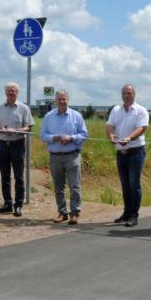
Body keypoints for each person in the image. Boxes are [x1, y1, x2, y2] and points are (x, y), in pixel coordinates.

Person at [40, 89, 88, 225]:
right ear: (55, 101)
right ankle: (62, 212)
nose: (62, 101)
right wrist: (54, 138)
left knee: (74, 186)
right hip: (55, 157)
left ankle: (75, 213)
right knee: (58, 187)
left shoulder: (76, 116)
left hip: (72, 156)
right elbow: (43, 135)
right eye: (59, 99)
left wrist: (71, 138)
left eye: (64, 99)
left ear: (68, 100)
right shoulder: (48, 116)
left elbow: (84, 135)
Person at [0, 82, 35, 217]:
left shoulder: (23, 108)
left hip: (17, 144)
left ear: (17, 92)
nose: (11, 92)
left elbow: (28, 127)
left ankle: (18, 205)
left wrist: (16, 130)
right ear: (5, 92)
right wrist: (0, 129)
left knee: (19, 176)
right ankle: (7, 203)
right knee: (5, 176)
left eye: (13, 90)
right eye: (8, 90)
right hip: (2, 144)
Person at [106, 84, 149, 227]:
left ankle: (133, 215)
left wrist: (129, 138)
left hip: (135, 152)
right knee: (125, 185)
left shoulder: (141, 110)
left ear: (134, 94)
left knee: (134, 184)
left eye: (129, 93)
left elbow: (141, 128)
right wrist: (111, 135)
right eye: (124, 93)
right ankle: (126, 212)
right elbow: (110, 125)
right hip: (121, 152)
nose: (126, 95)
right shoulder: (116, 110)